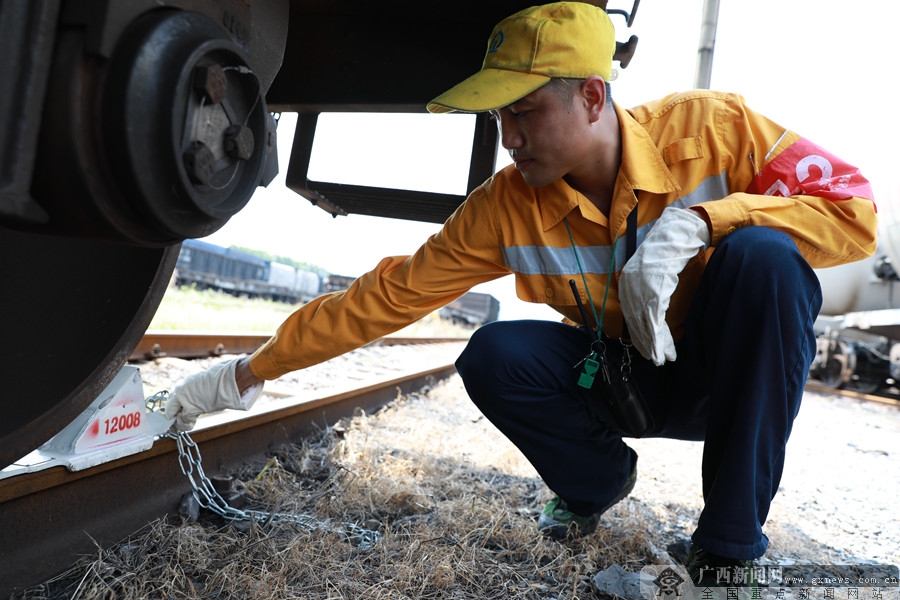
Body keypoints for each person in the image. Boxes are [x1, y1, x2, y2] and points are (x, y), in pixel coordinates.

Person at [165, 1, 877, 584]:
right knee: (494, 352)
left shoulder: (714, 128)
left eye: (524, 111)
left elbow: (854, 209)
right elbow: (383, 299)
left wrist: (701, 223)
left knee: (767, 259)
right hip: (628, 379)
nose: (508, 137)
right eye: (498, 117)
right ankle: (593, 486)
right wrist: (245, 373)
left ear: (593, 97)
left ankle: (726, 552)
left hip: (733, 383)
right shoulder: (507, 205)